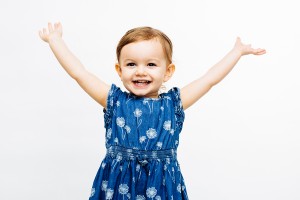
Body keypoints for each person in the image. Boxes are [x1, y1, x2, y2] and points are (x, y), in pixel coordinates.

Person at [39, 22, 266, 200]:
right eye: (131, 64)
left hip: (162, 186)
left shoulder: (174, 103)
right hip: (118, 185)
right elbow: (79, 73)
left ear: (168, 72)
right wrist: (55, 41)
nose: (140, 71)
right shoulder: (114, 101)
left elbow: (209, 80)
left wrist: (236, 53)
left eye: (151, 64)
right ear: (119, 70)